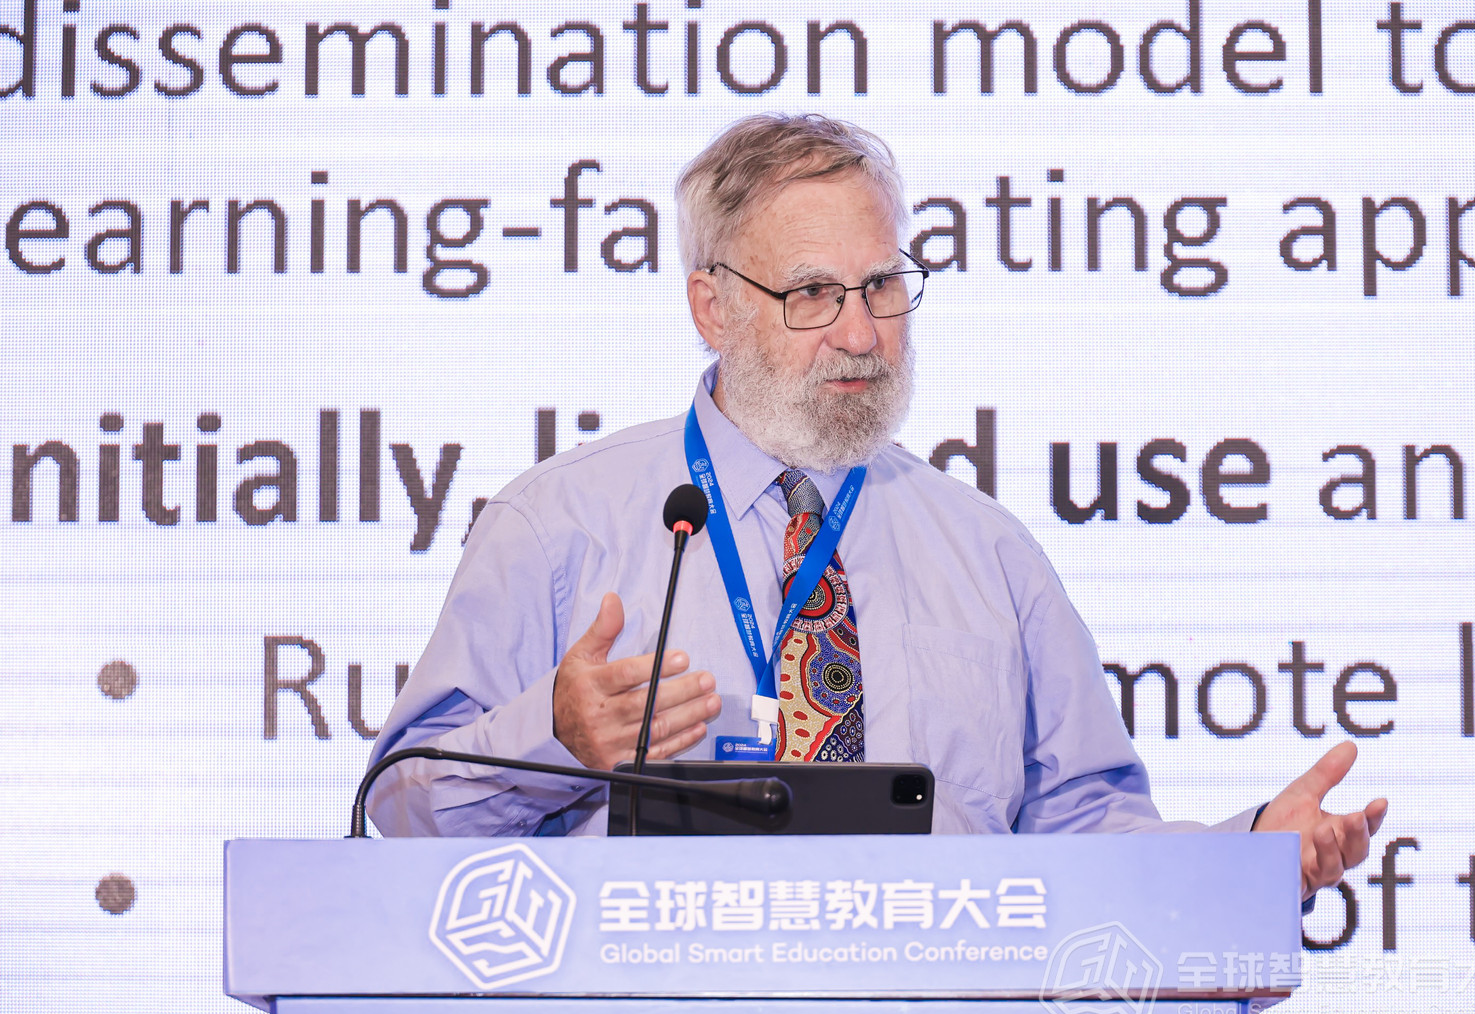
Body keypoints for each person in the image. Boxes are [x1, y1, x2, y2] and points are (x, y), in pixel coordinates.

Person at [367, 113, 1386, 903]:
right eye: (812, 293)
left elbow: (1082, 832)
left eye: (882, 285)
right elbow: (401, 813)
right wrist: (551, 736)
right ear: (711, 306)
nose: (861, 333)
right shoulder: (557, 526)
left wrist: (1247, 856)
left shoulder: (990, 555)